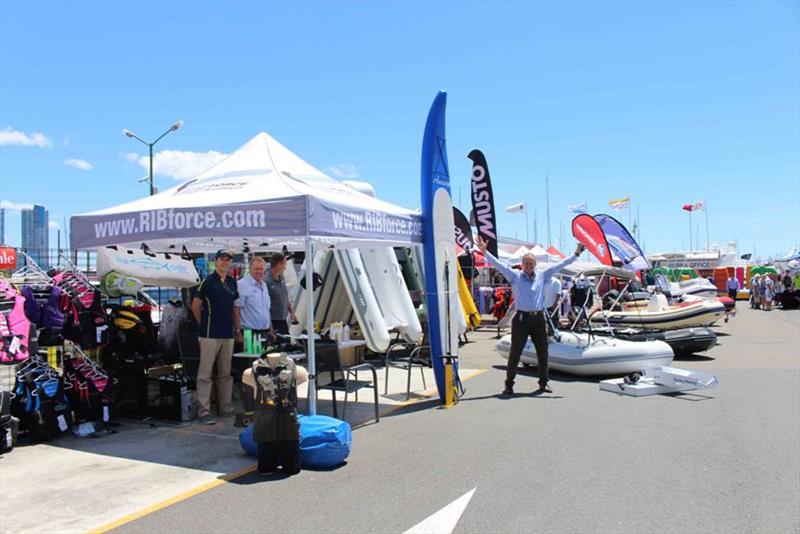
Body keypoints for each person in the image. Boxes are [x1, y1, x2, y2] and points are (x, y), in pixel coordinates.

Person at [477, 235, 585, 395]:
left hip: (538, 319)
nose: (529, 266)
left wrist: (576, 254)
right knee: (515, 353)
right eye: (526, 263)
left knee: (543, 352)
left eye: (531, 263)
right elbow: (498, 265)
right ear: (522, 265)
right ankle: (509, 384)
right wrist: (485, 253)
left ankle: (543, 383)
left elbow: (561, 264)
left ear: (535, 265)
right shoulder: (514, 275)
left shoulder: (542, 275)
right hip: (521, 319)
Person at [191, 249, 242, 424]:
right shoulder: (208, 281)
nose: (225, 263)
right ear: (216, 261)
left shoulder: (231, 282)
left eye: (228, 260)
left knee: (225, 374)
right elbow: (195, 305)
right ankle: (204, 411)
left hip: (227, 334)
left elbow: (235, 308)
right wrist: (202, 324)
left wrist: (238, 330)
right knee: (205, 374)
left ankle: (225, 407)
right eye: (222, 259)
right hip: (209, 334)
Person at [236, 256, 275, 343]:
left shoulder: (264, 285)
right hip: (248, 334)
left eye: (261, 269)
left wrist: (271, 330)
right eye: (256, 269)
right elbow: (236, 309)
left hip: (264, 333)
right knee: (252, 357)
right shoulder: (241, 285)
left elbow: (266, 310)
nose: (259, 271)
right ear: (250, 269)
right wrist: (238, 332)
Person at [266, 253, 298, 336]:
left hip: (283, 319)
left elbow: (285, 295)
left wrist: (292, 313)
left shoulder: (282, 276)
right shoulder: (266, 281)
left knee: (287, 343)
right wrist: (270, 328)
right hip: (273, 321)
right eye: (284, 264)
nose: (285, 267)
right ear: (279, 264)